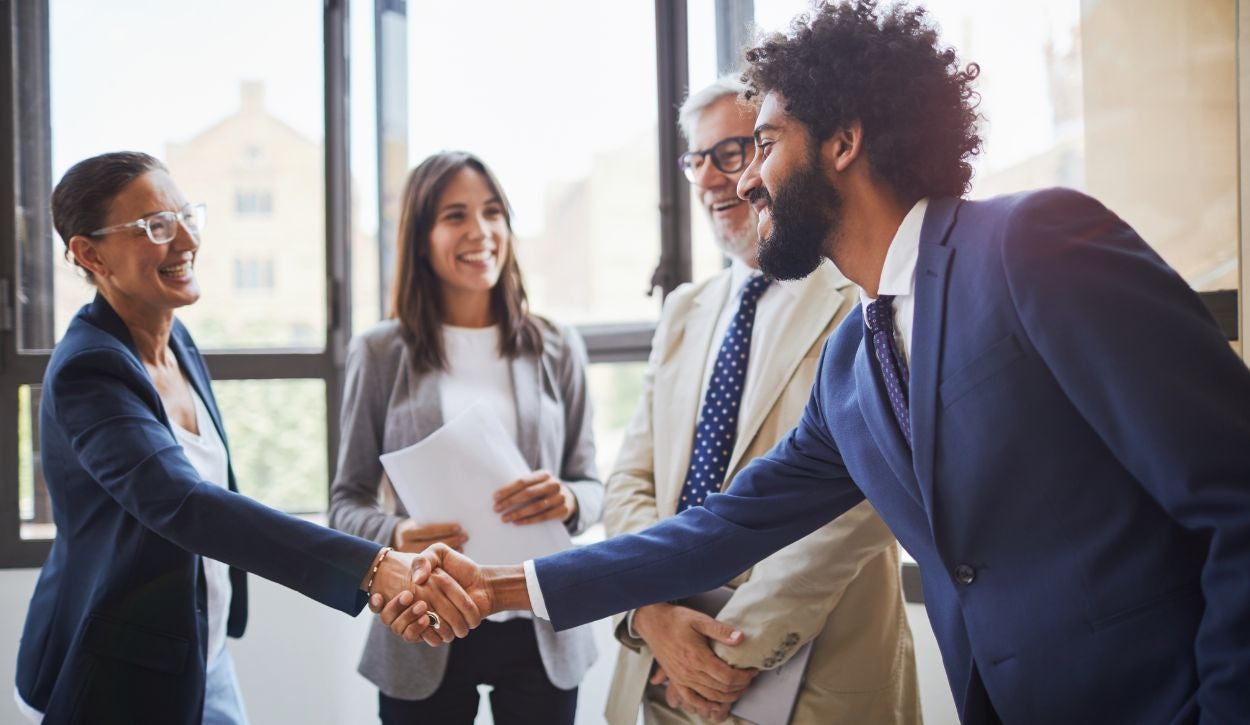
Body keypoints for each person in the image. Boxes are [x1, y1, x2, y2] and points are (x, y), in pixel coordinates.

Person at [381, 2, 1250, 723]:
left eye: (762, 142)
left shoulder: (1033, 243)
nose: (743, 180)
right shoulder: (851, 362)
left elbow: (1234, 492)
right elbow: (719, 527)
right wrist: (499, 586)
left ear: (842, 141)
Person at [14, 152, 453, 725]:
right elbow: (186, 505)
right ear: (89, 254)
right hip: (116, 667)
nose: (186, 240)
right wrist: (371, 566)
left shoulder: (178, 341)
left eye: (186, 215)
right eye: (155, 226)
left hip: (199, 650)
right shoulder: (89, 372)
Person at [602, 76, 919, 725]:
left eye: (735, 151)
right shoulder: (685, 310)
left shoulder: (858, 293)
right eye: (698, 160)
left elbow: (866, 500)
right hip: (664, 679)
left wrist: (729, 647)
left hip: (815, 685)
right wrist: (652, 612)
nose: (714, 179)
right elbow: (630, 482)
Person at [329, 151, 602, 725]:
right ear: (422, 237)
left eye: (492, 212)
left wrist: (572, 499)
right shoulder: (380, 354)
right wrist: (396, 531)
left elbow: (592, 482)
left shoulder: (557, 345)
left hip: (537, 618)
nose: (480, 232)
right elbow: (345, 503)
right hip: (423, 618)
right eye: (455, 215)